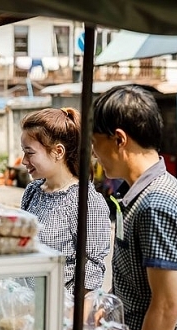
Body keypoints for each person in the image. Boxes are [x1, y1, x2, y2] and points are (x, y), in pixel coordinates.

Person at [91, 85, 177, 330]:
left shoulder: (156, 204)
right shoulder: (138, 194)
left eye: (97, 143)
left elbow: (166, 305)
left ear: (119, 139)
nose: (94, 154)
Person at [19, 107, 111, 295]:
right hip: (25, 307)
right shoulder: (32, 191)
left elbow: (90, 275)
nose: (23, 161)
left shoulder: (86, 202)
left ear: (58, 151)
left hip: (59, 312)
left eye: (30, 153)